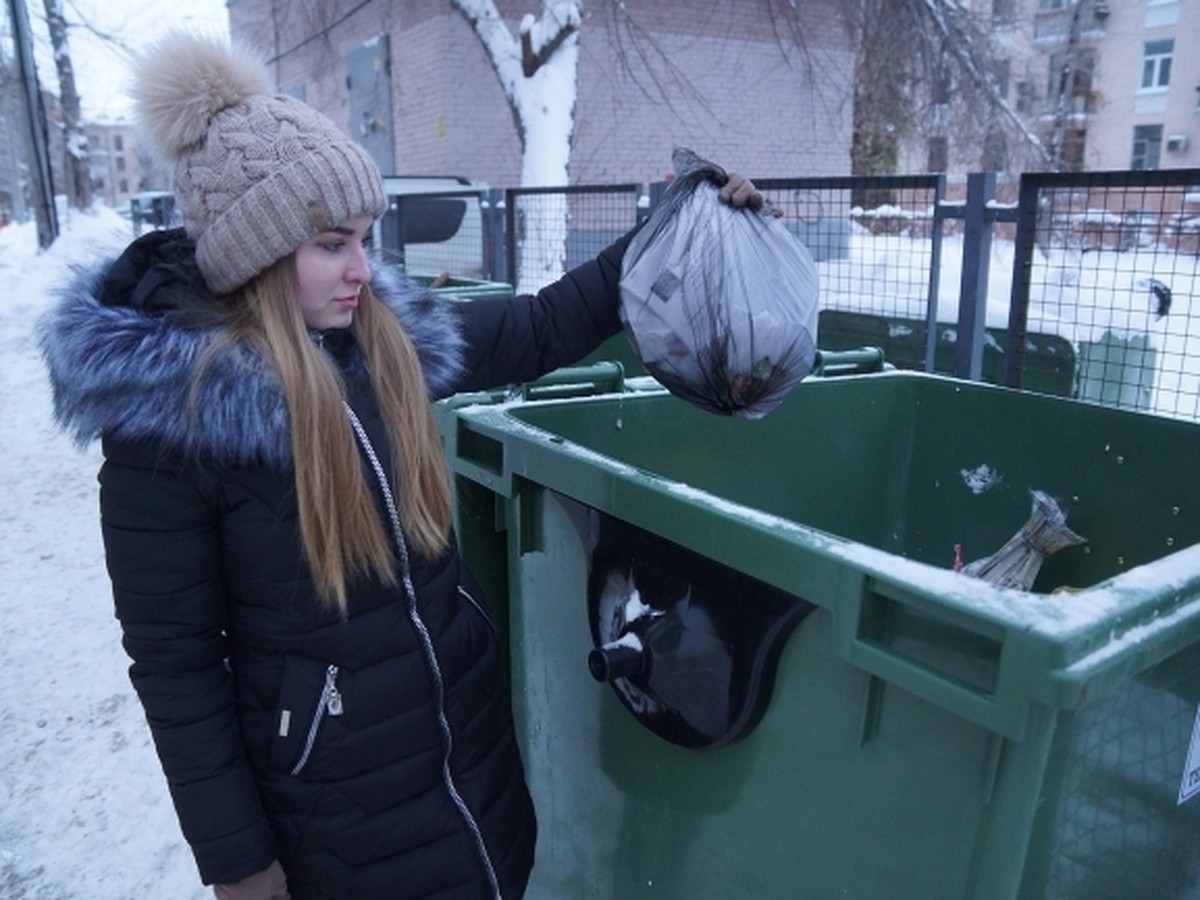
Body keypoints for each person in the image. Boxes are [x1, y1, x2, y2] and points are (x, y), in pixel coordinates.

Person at [39, 31, 763, 900]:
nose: (362, 269)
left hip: (467, 770)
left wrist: (672, 228)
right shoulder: (172, 423)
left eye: (364, 239)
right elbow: (175, 661)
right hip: (341, 819)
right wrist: (239, 863)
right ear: (258, 253)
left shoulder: (377, 340)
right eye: (333, 245)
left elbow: (537, 328)